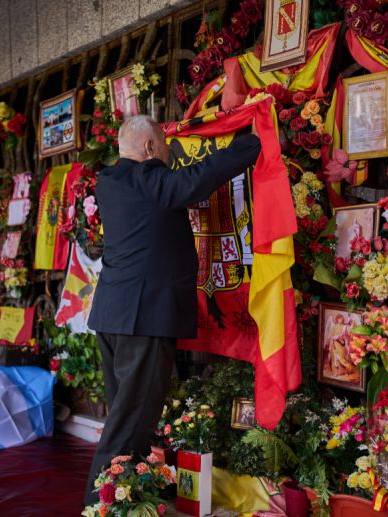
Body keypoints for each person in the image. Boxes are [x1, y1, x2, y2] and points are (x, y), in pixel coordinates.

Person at [83, 114, 261, 506]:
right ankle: (98, 505)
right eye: (164, 148)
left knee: (128, 418)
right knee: (129, 424)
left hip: (114, 316)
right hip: (141, 320)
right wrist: (251, 143)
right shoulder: (151, 182)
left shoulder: (109, 181)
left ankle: (129, 502)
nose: (168, 155)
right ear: (149, 149)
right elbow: (194, 179)